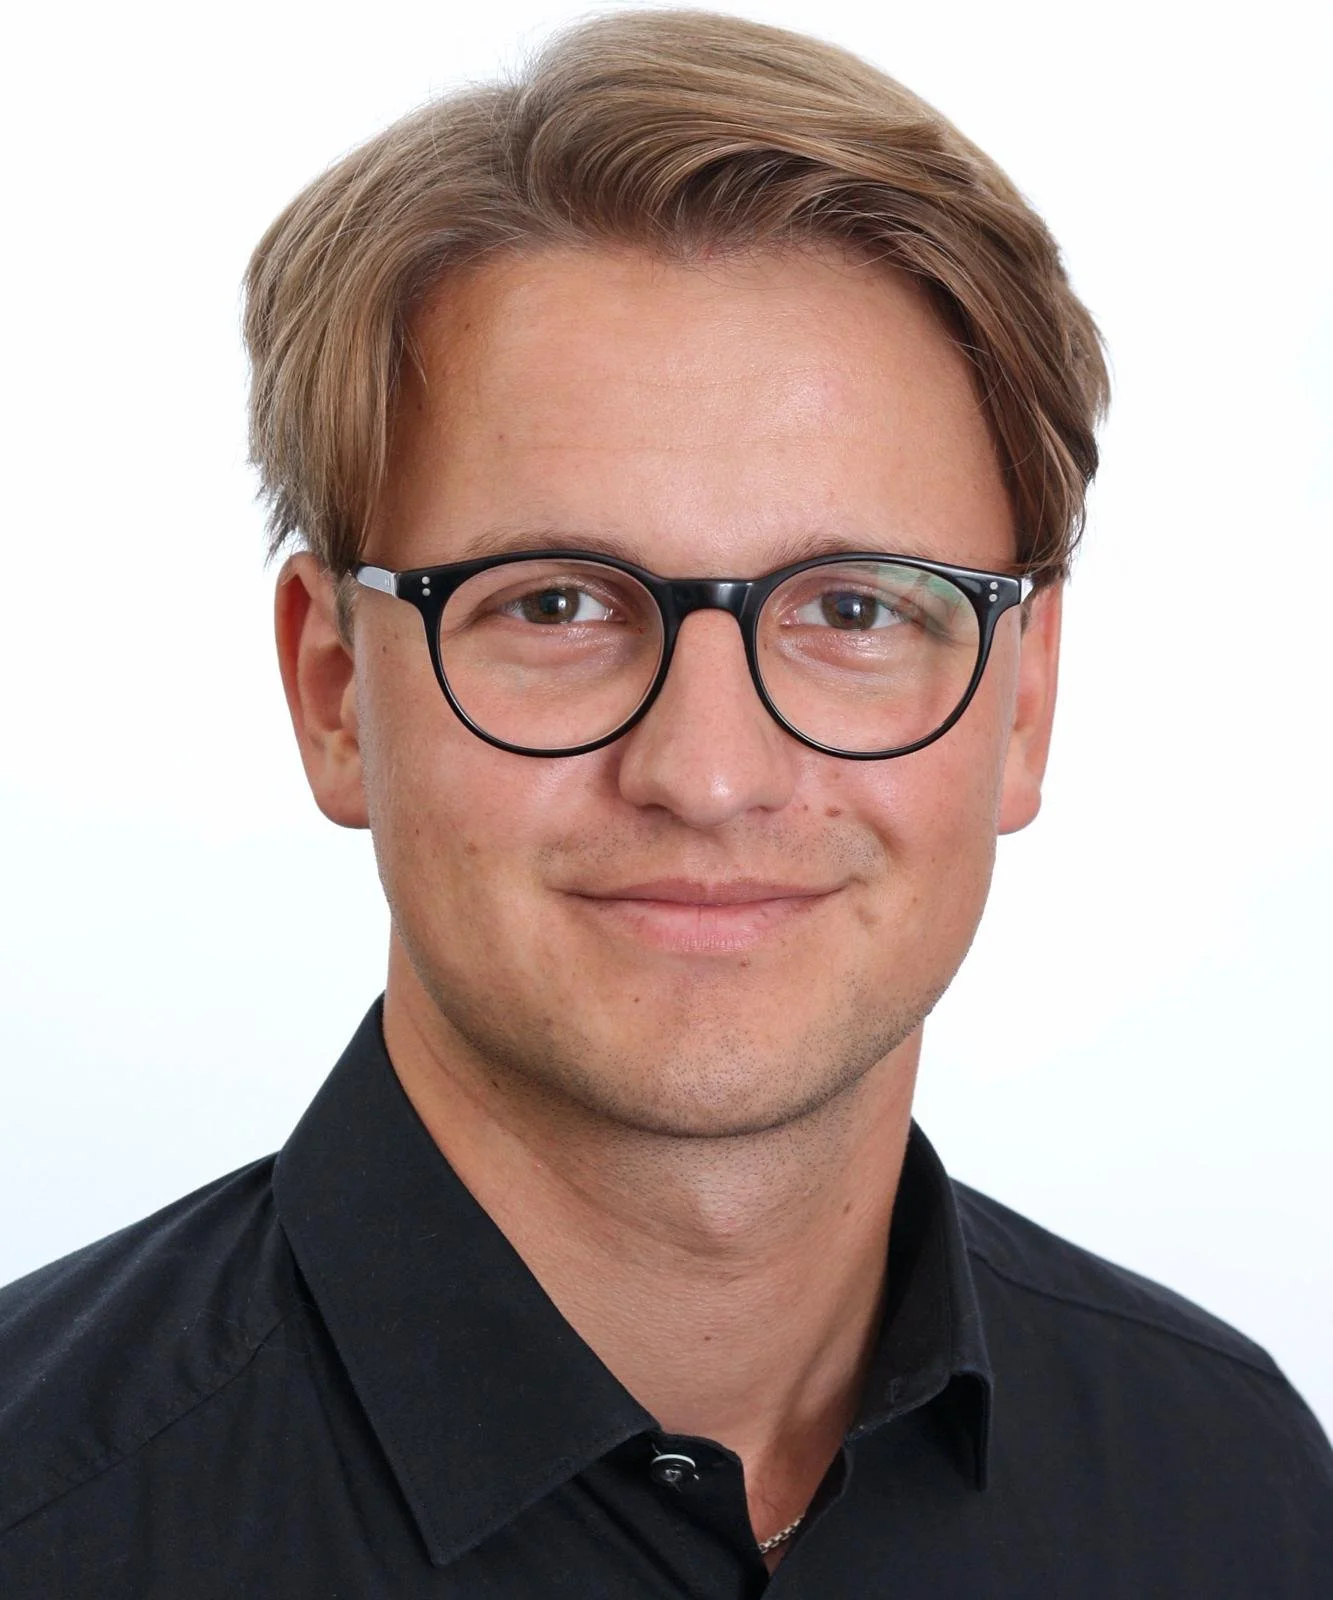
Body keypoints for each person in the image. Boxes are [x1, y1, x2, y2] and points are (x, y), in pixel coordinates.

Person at [1, 9, 1329, 1595]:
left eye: (854, 609)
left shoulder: (1236, 1488)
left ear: (1024, 699)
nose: (708, 775)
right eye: (556, 604)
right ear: (335, 691)